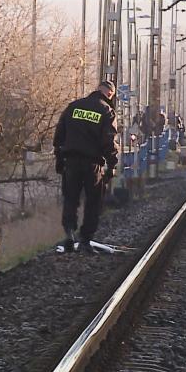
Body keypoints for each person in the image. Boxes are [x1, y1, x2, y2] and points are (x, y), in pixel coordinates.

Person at [53, 80, 119, 253]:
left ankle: (69, 233)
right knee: (93, 201)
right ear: (109, 94)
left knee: (70, 199)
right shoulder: (106, 111)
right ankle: (85, 240)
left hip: (71, 161)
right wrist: (112, 164)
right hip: (92, 164)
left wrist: (59, 159)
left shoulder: (74, 106)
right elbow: (109, 141)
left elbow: (59, 135)